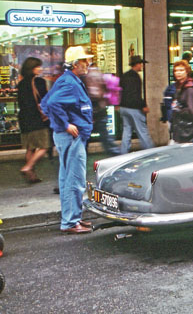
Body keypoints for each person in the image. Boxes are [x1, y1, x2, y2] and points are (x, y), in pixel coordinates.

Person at [41, 46, 94, 234]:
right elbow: (52, 103)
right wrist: (65, 124)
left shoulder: (67, 80)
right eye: (85, 61)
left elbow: (46, 103)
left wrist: (60, 123)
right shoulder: (70, 82)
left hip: (67, 136)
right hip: (72, 137)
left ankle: (72, 218)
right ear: (75, 64)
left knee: (67, 179)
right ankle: (71, 222)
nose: (88, 64)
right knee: (75, 179)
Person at [17, 57, 49, 183]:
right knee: (44, 146)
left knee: (30, 148)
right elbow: (45, 99)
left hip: (24, 119)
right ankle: (28, 167)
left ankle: (32, 175)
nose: (40, 68)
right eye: (38, 66)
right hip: (37, 119)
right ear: (32, 68)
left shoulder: (21, 83)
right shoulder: (39, 81)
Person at [119, 55, 155, 153]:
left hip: (123, 107)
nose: (142, 66)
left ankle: (123, 152)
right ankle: (150, 152)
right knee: (142, 130)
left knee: (127, 130)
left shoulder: (124, 75)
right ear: (137, 64)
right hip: (134, 108)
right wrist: (143, 105)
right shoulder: (136, 77)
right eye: (141, 64)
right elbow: (136, 94)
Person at [83, 63, 120, 155]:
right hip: (101, 110)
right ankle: (116, 155)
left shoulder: (88, 76)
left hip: (92, 111)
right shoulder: (100, 75)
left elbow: (94, 94)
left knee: (85, 138)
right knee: (106, 138)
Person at [171, 60, 193, 142]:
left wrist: (177, 109)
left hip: (190, 131)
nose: (178, 73)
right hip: (184, 129)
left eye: (181, 70)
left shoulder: (190, 88)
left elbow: (192, 110)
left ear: (187, 72)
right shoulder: (180, 86)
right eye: (176, 71)